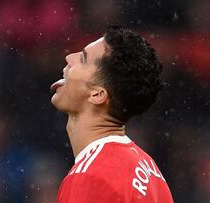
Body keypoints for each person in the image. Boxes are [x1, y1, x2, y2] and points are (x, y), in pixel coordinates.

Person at [50, 26, 173, 202]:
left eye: (83, 59)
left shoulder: (89, 177)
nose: (69, 57)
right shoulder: (150, 171)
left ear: (97, 94)